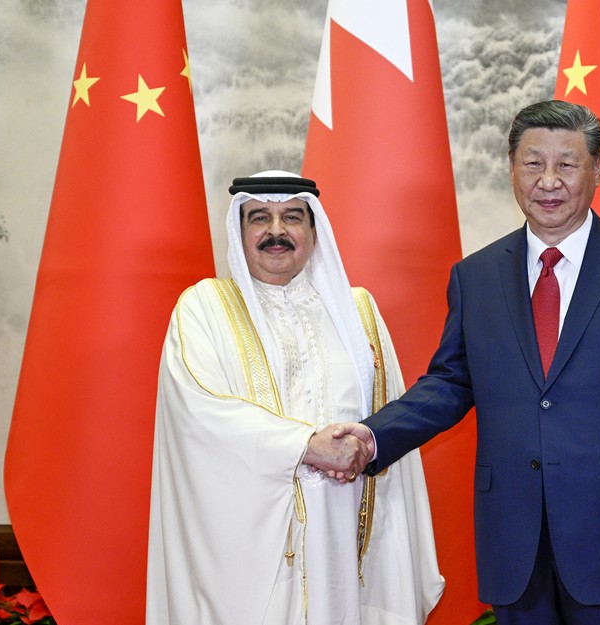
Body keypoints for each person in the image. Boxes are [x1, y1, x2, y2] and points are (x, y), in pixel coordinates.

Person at [339, 100, 600, 625]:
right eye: (533, 163)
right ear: (511, 167)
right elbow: (450, 381)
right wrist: (371, 436)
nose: (548, 180)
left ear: (597, 169)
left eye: (567, 164)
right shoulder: (476, 276)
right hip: (515, 538)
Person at [146, 171, 444, 625]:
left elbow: (390, 418)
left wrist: (356, 448)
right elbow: (200, 415)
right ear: (239, 230)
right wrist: (308, 444)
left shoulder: (357, 311)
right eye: (260, 218)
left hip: (347, 539)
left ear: (313, 229)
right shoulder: (203, 307)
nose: (276, 231)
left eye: (292, 217)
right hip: (250, 554)